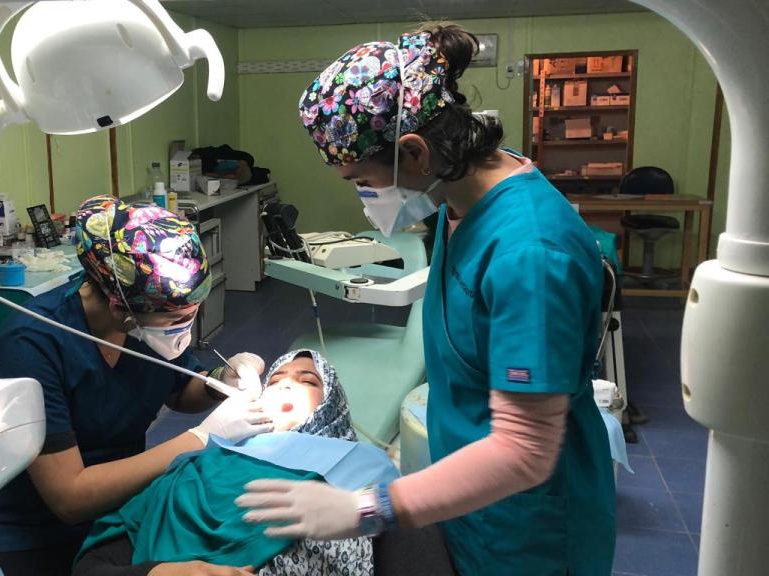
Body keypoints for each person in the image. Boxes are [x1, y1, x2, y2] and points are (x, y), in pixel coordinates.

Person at [238, 23, 616, 575]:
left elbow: (526, 451)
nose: (361, 195)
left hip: (528, 531)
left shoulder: (530, 254)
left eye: (358, 179)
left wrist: (367, 507)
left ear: (414, 153)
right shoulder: (460, 197)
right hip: (469, 501)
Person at [0, 196, 272, 575]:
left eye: (193, 313)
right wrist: (200, 439)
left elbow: (177, 391)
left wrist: (220, 383)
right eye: (177, 317)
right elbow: (69, 498)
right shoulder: (34, 343)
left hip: (121, 510)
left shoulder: (146, 323)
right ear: (119, 307)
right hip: (31, 529)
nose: (186, 327)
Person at [74, 350, 397, 576]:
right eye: (274, 380)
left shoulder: (363, 462)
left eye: (308, 381)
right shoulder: (197, 463)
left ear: (331, 407)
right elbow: (99, 559)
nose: (285, 383)